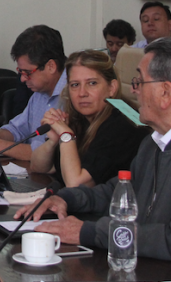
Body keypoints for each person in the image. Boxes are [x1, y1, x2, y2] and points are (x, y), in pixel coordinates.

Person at [15, 38, 171, 264]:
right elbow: (120, 192)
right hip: (142, 266)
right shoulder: (156, 140)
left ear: (165, 92)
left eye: (139, 82)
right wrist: (65, 199)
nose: (134, 92)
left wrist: (88, 232)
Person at [29, 50, 149, 188]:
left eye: (92, 83)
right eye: (75, 85)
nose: (82, 93)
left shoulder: (122, 125)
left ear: (112, 87)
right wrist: (53, 141)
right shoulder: (80, 118)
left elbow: (76, 185)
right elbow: (38, 167)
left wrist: (66, 135)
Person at [0, 25, 67, 161]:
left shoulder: (76, 96)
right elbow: (17, 130)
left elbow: (46, 155)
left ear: (51, 66)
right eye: (20, 72)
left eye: (27, 72)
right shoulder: (39, 93)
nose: (22, 79)